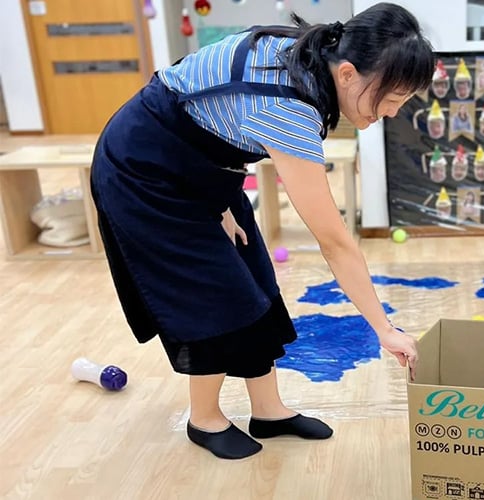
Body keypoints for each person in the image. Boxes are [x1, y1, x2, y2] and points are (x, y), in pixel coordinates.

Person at [89, 2, 433, 460]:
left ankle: (268, 412)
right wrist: (384, 329)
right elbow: (335, 242)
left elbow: (220, 114)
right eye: (391, 99)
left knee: (256, 280)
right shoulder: (290, 108)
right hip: (143, 171)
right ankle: (204, 419)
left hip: (199, 162)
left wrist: (217, 198)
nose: (391, 113)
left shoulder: (311, 54)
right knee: (216, 293)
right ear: (348, 74)